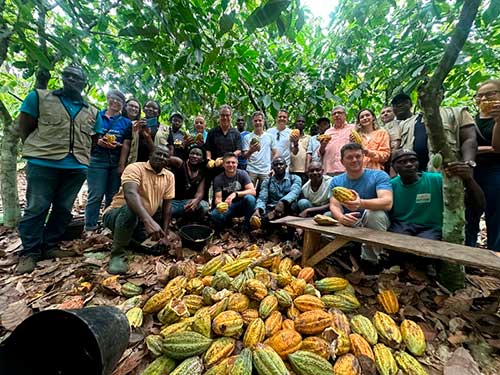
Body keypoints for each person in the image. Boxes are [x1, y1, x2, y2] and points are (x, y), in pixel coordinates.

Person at [16, 65, 102, 274]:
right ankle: (30, 252)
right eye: (68, 76)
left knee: (64, 209)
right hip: (43, 163)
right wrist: (39, 150)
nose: (71, 80)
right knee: (37, 207)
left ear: (84, 84)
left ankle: (50, 245)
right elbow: (25, 127)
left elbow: (94, 139)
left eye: (77, 77)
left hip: (76, 166)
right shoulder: (39, 98)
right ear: (62, 78)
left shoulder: (92, 111)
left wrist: (83, 161)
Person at [103, 145, 180, 274]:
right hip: (117, 215)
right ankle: (117, 254)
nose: (161, 157)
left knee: (159, 249)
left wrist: (165, 234)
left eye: (165, 156)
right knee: (131, 209)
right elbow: (130, 194)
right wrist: (148, 221)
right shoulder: (135, 168)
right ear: (150, 155)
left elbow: (167, 207)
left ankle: (130, 240)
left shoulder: (169, 176)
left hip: (141, 222)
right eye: (158, 154)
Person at [390, 149, 484, 239]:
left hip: (431, 228)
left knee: (426, 246)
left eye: (413, 160)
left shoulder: (437, 180)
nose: (409, 164)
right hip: (402, 225)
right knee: (398, 243)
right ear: (394, 167)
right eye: (402, 162)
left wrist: (469, 179)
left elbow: (479, 204)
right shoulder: (391, 185)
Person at [329, 143, 393, 263]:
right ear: (342, 161)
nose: (355, 160)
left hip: (373, 222)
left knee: (374, 214)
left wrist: (361, 203)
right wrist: (341, 218)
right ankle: (336, 257)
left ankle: (373, 261)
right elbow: (334, 205)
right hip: (350, 222)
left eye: (358, 156)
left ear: (363, 157)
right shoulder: (336, 180)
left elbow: (387, 202)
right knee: (327, 217)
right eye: (349, 157)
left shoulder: (379, 175)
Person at [84, 90, 132, 232]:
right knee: (96, 194)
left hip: (116, 159)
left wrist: (121, 164)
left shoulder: (126, 122)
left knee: (112, 195)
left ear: (123, 105)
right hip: (97, 159)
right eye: (113, 99)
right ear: (108, 99)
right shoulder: (97, 116)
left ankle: (107, 225)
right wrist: (99, 142)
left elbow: (127, 144)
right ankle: (90, 227)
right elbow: (87, 136)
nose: (116, 102)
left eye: (120, 101)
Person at [399, 88, 477, 171]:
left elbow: (469, 139)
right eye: (421, 94)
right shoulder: (406, 123)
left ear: (441, 96)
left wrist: (467, 163)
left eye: (432, 92)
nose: (425, 96)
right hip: (413, 176)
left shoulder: (457, 113)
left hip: (447, 171)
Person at [466, 79, 500, 251]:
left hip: (495, 171)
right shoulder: (472, 120)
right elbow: (464, 145)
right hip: (473, 170)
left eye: (490, 94)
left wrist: (498, 120)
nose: (484, 99)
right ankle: (467, 254)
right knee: (470, 214)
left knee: (495, 214)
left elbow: (497, 147)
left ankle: (495, 257)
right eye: (480, 96)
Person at [210, 153, 256, 231]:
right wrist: (220, 205)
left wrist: (235, 194)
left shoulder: (242, 174)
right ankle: (226, 227)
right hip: (228, 206)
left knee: (250, 198)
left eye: (233, 162)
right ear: (223, 165)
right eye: (228, 162)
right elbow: (218, 199)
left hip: (242, 204)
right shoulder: (218, 178)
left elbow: (253, 191)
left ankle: (247, 226)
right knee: (215, 214)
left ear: (237, 164)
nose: (231, 165)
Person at [254, 157, 302, 225]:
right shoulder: (267, 181)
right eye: (276, 164)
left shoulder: (295, 178)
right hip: (272, 207)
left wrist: (282, 202)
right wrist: (258, 209)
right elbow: (262, 198)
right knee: (262, 216)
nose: (278, 166)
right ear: (272, 167)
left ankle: (292, 232)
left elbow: (295, 192)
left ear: (286, 166)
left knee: (293, 206)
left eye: (281, 164)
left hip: (287, 207)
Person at [170, 145, 209, 221]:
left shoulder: (202, 173)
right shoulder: (180, 163)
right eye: (192, 153)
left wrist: (196, 201)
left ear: (203, 159)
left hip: (187, 202)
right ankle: (177, 216)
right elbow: (161, 157)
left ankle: (181, 219)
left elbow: (200, 193)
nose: (194, 156)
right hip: (173, 202)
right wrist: (148, 138)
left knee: (204, 206)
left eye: (198, 155)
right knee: (164, 208)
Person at [242, 111, 278, 189]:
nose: (258, 122)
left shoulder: (270, 137)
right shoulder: (247, 137)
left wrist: (272, 167)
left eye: (260, 120)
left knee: (264, 193)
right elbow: (244, 156)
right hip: (251, 170)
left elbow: (275, 153)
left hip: (265, 170)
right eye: (255, 121)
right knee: (249, 193)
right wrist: (251, 150)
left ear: (263, 122)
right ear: (252, 122)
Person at [319, 106, 355, 175]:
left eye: (339, 113)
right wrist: (322, 146)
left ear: (345, 115)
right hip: (329, 170)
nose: (337, 115)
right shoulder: (328, 132)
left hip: (347, 169)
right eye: (334, 114)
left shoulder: (353, 128)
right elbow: (321, 153)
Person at [120, 98, 141, 173]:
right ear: (125, 107)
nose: (133, 108)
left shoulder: (139, 125)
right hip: (114, 156)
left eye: (136, 107)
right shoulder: (118, 120)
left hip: (131, 160)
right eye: (131, 106)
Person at [290, 115, 310, 183]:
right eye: (298, 121)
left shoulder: (308, 138)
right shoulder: (289, 136)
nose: (300, 123)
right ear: (295, 123)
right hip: (291, 170)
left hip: (304, 171)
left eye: (303, 122)